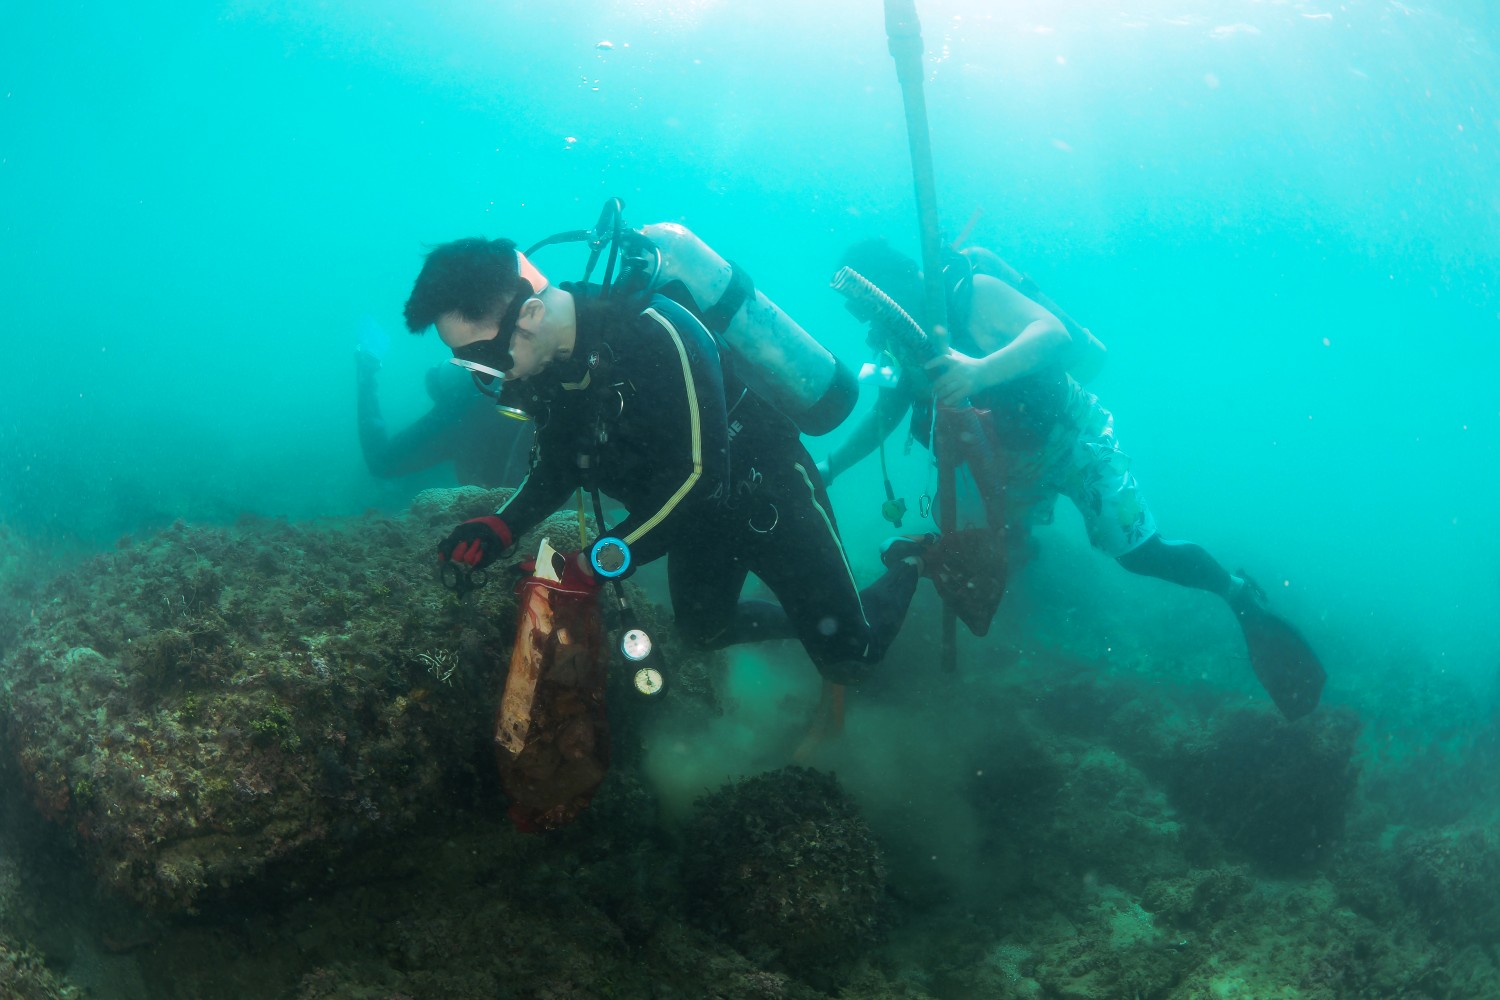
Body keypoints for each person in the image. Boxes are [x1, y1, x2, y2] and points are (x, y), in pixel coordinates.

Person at [822, 238, 1324, 719]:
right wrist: (830, 467)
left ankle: (1237, 595)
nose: (871, 325)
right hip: (1004, 463)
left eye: (870, 307)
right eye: (862, 314)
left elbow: (1052, 332)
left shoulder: (970, 293)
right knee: (980, 551)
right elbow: (888, 414)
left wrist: (979, 371)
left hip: (1073, 440)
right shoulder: (900, 342)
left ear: (892, 286)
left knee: (1140, 554)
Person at [402, 236, 924, 686]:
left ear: (531, 315)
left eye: (485, 359)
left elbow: (698, 479)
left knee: (853, 661)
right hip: (690, 525)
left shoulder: (659, 331)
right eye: (466, 362)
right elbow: (562, 463)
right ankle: (813, 618)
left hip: (769, 497)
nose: (485, 379)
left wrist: (589, 566)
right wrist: (500, 524)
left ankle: (911, 560)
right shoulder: (548, 367)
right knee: (705, 633)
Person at [356, 319, 531, 488]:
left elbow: (381, 463)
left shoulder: (462, 414)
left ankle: (367, 365)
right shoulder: (469, 411)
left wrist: (366, 377)